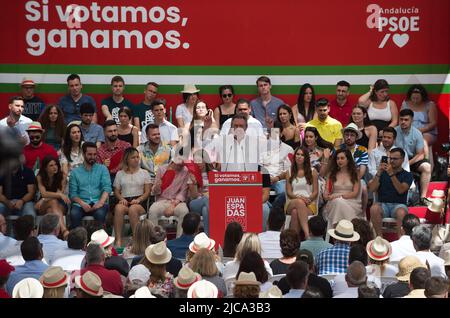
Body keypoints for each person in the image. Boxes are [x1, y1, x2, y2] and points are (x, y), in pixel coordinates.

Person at [368, 147, 413, 236]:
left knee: (401, 212)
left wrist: (391, 174)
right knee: (374, 208)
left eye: (395, 159)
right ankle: (379, 239)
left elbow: (401, 190)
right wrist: (379, 173)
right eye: (390, 158)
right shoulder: (383, 173)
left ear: (402, 160)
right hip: (383, 204)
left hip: (399, 205)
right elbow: (372, 189)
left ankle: (401, 240)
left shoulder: (407, 175)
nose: (392, 161)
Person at [113, 147, 151, 247]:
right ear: (127, 159)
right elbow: (116, 191)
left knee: (133, 209)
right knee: (118, 208)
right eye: (133, 157)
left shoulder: (144, 173)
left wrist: (139, 199)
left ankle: (136, 239)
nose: (136, 159)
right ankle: (118, 240)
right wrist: (121, 199)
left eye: (137, 157)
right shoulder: (120, 174)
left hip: (140, 201)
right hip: (125, 200)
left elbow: (147, 192)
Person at [69, 142, 112, 228]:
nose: (93, 157)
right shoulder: (75, 172)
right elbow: (73, 194)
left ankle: (100, 240)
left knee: (100, 214)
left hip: (98, 202)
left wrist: (101, 202)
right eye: (89, 154)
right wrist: (82, 203)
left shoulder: (102, 169)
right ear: (83, 154)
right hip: (81, 204)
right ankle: (78, 239)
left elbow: (107, 188)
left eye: (95, 154)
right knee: (74, 214)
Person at [395, 108, 431, 204]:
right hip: (396, 159)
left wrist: (407, 163)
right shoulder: (394, 131)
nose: (403, 122)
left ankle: (423, 198)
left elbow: (421, 154)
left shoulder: (417, 133)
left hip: (412, 160)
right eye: (401, 119)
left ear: (412, 120)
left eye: (406, 120)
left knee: (427, 167)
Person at [148, 156, 190, 238]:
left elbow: (183, 192)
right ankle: (154, 239)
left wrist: (173, 205)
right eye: (178, 165)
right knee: (152, 210)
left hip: (177, 201)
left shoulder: (185, 171)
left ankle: (179, 239)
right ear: (172, 162)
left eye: (182, 165)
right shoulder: (162, 169)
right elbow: (155, 192)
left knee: (184, 211)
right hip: (162, 200)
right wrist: (157, 186)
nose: (180, 167)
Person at [323, 149, 363, 228]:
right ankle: (350, 229)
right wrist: (325, 195)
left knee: (339, 202)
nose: (339, 161)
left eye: (342, 158)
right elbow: (327, 190)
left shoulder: (355, 174)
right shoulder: (331, 174)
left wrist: (338, 196)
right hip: (333, 202)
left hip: (351, 202)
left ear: (348, 159)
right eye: (337, 158)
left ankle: (337, 231)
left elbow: (354, 193)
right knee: (338, 202)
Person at [285, 147, 318, 237]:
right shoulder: (289, 172)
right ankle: (307, 235)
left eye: (302, 155)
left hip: (309, 203)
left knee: (295, 213)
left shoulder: (313, 171)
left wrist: (307, 199)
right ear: (294, 156)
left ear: (306, 158)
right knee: (299, 203)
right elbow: (289, 193)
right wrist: (300, 198)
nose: (299, 157)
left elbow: (315, 192)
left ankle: (293, 241)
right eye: (297, 154)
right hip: (292, 202)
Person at [35, 156, 70, 237]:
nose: (55, 167)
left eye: (56, 164)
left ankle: (51, 237)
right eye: (51, 165)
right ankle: (64, 231)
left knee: (50, 211)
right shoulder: (39, 177)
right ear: (45, 168)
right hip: (43, 205)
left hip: (59, 203)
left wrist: (43, 199)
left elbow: (58, 194)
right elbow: (44, 193)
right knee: (53, 203)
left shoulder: (62, 176)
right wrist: (59, 195)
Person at [401, 84, 437, 149]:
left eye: (417, 98)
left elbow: (433, 123)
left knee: (422, 142)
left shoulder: (430, 105)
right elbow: (401, 120)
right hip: (408, 131)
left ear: (423, 97)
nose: (415, 100)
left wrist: (420, 130)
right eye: (413, 98)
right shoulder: (405, 104)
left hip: (426, 132)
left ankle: (424, 158)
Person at [186, 149, 214, 235]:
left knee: (205, 210)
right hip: (195, 203)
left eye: (200, 161)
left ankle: (207, 235)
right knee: (206, 199)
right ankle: (215, 227)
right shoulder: (191, 174)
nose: (198, 163)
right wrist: (194, 182)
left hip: (211, 203)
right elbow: (193, 196)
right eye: (196, 161)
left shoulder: (214, 173)